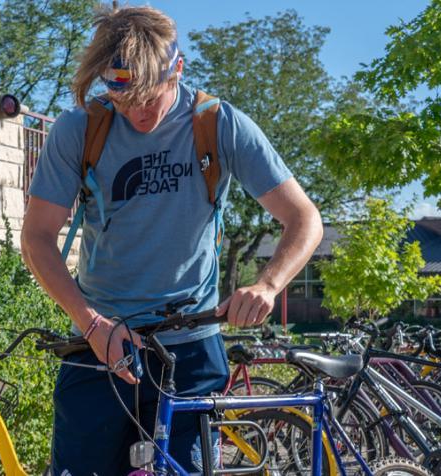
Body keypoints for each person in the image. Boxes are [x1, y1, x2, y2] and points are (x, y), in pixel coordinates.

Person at [20, 4, 322, 474]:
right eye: (124, 100)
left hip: (190, 349)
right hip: (101, 345)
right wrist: (91, 321)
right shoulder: (79, 129)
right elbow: (37, 237)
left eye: (150, 97)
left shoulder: (217, 124)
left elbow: (304, 218)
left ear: (177, 69)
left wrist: (267, 285)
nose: (138, 113)